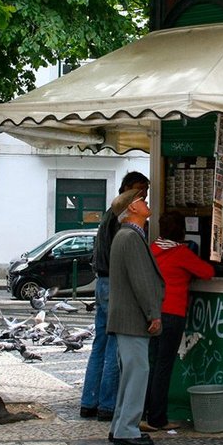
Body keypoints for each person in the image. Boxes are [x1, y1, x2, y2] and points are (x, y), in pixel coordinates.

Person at [80, 171, 150, 422]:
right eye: (141, 191)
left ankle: (89, 401)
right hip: (114, 283)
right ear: (128, 190)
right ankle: (107, 405)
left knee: (100, 343)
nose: (145, 196)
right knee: (113, 345)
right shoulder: (123, 219)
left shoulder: (108, 215)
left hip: (103, 282)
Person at [141, 211, 215, 432]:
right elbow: (207, 271)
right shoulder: (181, 252)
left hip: (151, 312)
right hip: (172, 314)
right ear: (181, 231)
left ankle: (142, 413)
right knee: (164, 367)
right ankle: (157, 418)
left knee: (151, 365)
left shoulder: (151, 249)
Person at [107, 189, 164, 445]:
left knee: (131, 373)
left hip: (126, 317)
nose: (146, 203)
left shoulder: (127, 236)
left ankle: (121, 425)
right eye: (141, 200)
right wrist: (153, 313)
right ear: (131, 208)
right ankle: (127, 429)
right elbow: (141, 280)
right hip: (132, 318)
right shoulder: (131, 237)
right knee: (138, 372)